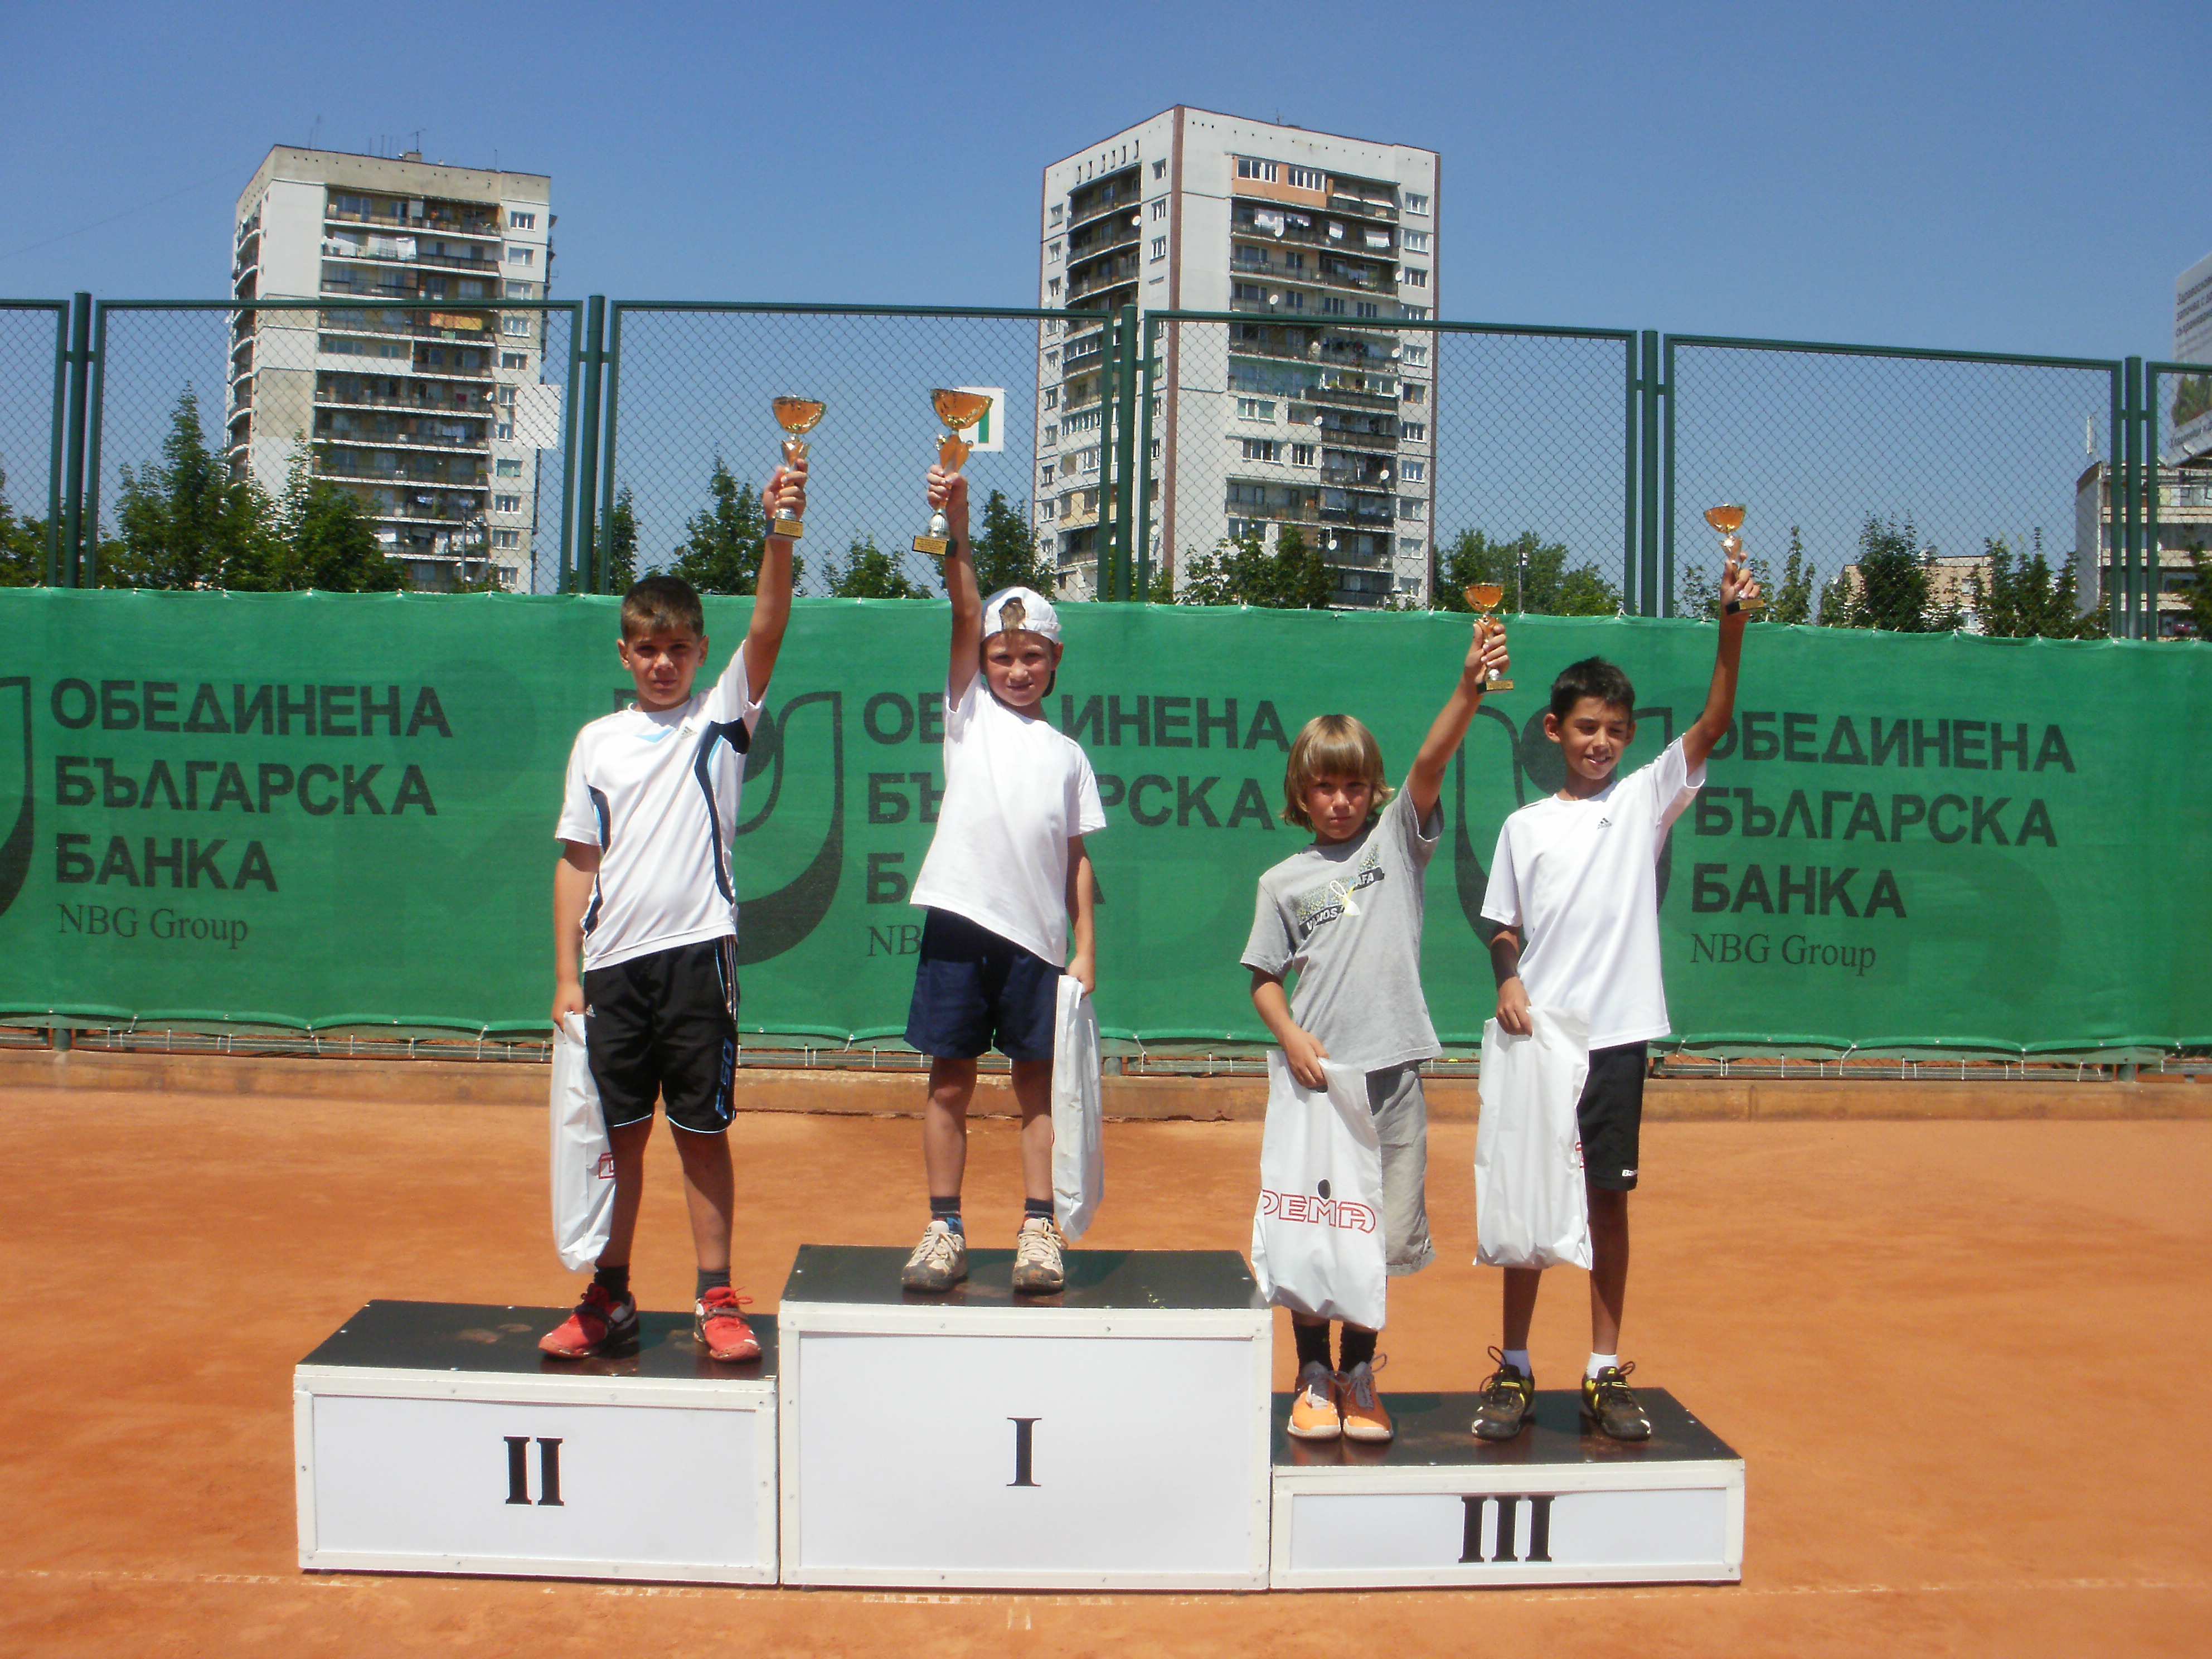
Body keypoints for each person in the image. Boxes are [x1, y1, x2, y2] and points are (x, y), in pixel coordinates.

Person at [1472, 555, 1761, 1440]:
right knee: (1528, 1208)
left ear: (1631, 738)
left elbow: (1714, 721)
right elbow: (1503, 926)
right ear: (1553, 730)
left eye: (1616, 730)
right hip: (1539, 1042)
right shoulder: (1525, 826)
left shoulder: (1643, 801)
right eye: (1587, 727)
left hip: (1617, 1041)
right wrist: (1509, 977)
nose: (1601, 742)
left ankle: (1603, 1370)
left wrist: (1731, 625)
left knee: (1607, 1203)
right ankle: (1515, 1369)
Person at [538, 464, 803, 1361]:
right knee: (615, 1140)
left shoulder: (721, 722)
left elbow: (768, 624)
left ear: (699, 652)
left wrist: (780, 529)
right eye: (648, 649)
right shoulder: (596, 743)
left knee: (701, 1134)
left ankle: (715, 1297)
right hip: (612, 970)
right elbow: (579, 861)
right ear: (625, 653)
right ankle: (608, 1297)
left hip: (699, 958)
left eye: (679, 649)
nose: (663, 663)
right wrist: (567, 976)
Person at [1243, 618, 1512, 1443]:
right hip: (1317, 1085)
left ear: (1374, 791)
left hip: (1392, 1079)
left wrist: (1469, 687)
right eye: (1325, 788)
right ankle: (1312, 1376)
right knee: (1311, 1234)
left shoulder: (1398, 843)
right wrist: (1292, 1039)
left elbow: (1432, 761)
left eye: (1355, 787)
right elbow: (1262, 980)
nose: (1340, 801)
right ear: (1301, 793)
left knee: (1378, 1238)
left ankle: (1359, 1375)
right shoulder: (1282, 881)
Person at [899, 462, 1104, 1297]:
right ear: (981, 661)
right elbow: (961, 607)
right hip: (959, 925)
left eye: (1032, 657)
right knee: (949, 1081)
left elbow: (1077, 859)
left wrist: (1084, 950)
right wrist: (958, 524)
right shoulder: (967, 712)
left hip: (1038, 946)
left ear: (1055, 661)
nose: (1017, 669)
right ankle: (944, 1227)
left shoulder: (1069, 756)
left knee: (1036, 1088)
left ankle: (1038, 1229)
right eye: (1002, 656)